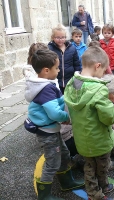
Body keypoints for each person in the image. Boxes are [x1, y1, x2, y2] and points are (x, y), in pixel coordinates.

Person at [24, 49, 84, 199]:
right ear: (46, 70)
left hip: (51, 129)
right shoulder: (45, 89)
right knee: (52, 162)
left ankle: (66, 181)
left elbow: (58, 100)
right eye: (56, 68)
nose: (58, 70)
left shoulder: (46, 84)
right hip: (47, 132)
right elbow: (54, 113)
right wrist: (67, 118)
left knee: (63, 155)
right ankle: (44, 195)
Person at [64, 46, 114, 200]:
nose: (103, 75)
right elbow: (109, 118)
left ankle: (96, 191)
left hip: (82, 138)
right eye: (103, 71)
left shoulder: (72, 83)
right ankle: (100, 189)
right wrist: (113, 108)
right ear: (97, 66)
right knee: (102, 165)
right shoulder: (98, 90)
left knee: (89, 166)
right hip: (99, 139)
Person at [48, 24, 81, 94]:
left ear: (66, 37)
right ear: (53, 37)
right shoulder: (50, 49)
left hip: (70, 81)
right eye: (58, 37)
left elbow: (77, 64)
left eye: (63, 37)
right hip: (56, 81)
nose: (60, 40)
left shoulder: (72, 48)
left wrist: (78, 77)